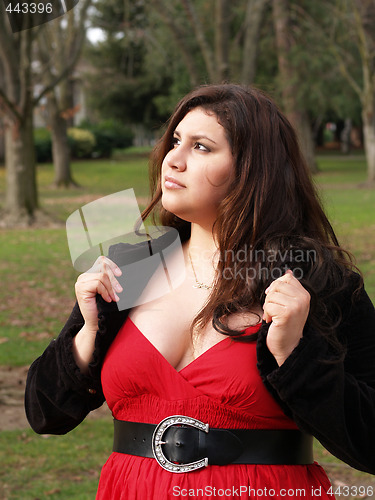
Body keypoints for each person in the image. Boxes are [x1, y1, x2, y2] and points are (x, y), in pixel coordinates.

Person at [25, 84, 375, 499]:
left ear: (252, 168)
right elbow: (44, 414)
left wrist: (297, 358)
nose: (173, 159)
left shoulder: (313, 282)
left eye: (202, 147)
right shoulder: (131, 269)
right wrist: (85, 336)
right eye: (175, 141)